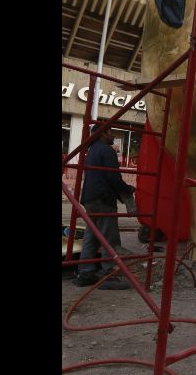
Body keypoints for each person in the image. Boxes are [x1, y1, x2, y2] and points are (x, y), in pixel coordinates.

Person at [72, 124, 135, 290]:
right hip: (103, 199)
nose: (112, 135)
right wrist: (128, 190)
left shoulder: (91, 151)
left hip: (90, 199)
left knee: (91, 236)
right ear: (103, 134)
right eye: (110, 132)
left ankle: (85, 272)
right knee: (109, 238)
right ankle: (109, 276)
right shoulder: (107, 151)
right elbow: (113, 177)